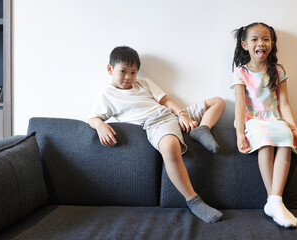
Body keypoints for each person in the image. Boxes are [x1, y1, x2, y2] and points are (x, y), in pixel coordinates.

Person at [88, 46, 225, 223]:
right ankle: (194, 201)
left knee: (218, 102)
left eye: (133, 72)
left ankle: (202, 129)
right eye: (123, 71)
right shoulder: (106, 95)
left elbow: (166, 101)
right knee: (169, 147)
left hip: (173, 114)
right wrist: (100, 125)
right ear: (110, 69)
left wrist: (182, 114)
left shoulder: (143, 84)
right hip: (155, 123)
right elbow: (92, 117)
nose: (128, 77)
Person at [232, 22, 297, 228]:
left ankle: (274, 200)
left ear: (272, 44)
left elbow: (284, 103)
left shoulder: (277, 70)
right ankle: (274, 200)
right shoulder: (241, 72)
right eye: (255, 39)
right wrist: (240, 132)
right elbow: (240, 104)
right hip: (253, 119)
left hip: (274, 118)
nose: (261, 43)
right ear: (245, 44)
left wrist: (294, 128)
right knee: (265, 139)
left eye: (266, 39)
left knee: (285, 136)